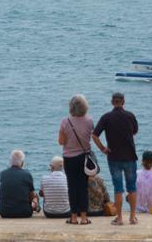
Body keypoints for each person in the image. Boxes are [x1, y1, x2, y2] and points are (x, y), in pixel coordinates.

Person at [93, 91, 139, 225]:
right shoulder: (130, 116)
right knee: (132, 187)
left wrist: (103, 148)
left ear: (112, 102)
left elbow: (95, 136)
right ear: (123, 102)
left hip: (113, 157)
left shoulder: (106, 117)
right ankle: (132, 217)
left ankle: (119, 218)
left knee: (118, 188)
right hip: (130, 156)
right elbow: (135, 131)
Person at [58, 94, 94, 225]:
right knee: (83, 187)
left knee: (72, 187)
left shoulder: (65, 121)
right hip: (84, 158)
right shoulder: (89, 121)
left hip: (69, 158)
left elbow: (61, 141)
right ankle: (84, 217)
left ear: (71, 107)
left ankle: (73, 217)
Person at [0, 150, 37, 218]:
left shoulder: (3, 174)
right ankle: (37, 207)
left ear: (10, 162)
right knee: (35, 196)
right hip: (24, 212)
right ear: (22, 163)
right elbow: (31, 195)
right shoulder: (27, 175)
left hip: (4, 212)